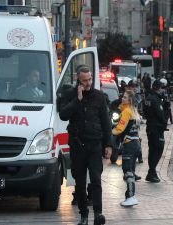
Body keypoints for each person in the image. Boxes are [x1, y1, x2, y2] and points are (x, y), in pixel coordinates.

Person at [59, 66, 112, 225]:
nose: (88, 83)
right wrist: (77, 100)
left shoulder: (99, 96)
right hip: (78, 145)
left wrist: (108, 144)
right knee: (80, 182)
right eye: (85, 80)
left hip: (95, 144)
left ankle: (98, 214)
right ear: (78, 80)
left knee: (96, 180)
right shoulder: (70, 95)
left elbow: (105, 122)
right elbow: (63, 115)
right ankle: (83, 215)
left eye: (90, 79)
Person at [112, 90, 141, 207]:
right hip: (136, 143)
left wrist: (110, 133)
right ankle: (130, 196)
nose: (122, 99)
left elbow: (120, 128)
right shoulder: (134, 111)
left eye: (124, 97)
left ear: (129, 100)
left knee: (127, 170)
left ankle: (131, 196)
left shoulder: (126, 112)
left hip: (129, 143)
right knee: (131, 170)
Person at [143, 79, 167, 183]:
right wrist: (164, 123)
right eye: (162, 88)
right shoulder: (155, 99)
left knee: (152, 149)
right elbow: (160, 114)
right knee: (158, 149)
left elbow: (145, 112)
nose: (163, 90)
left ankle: (152, 172)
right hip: (156, 128)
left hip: (150, 127)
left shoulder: (148, 98)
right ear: (157, 88)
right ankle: (151, 171)